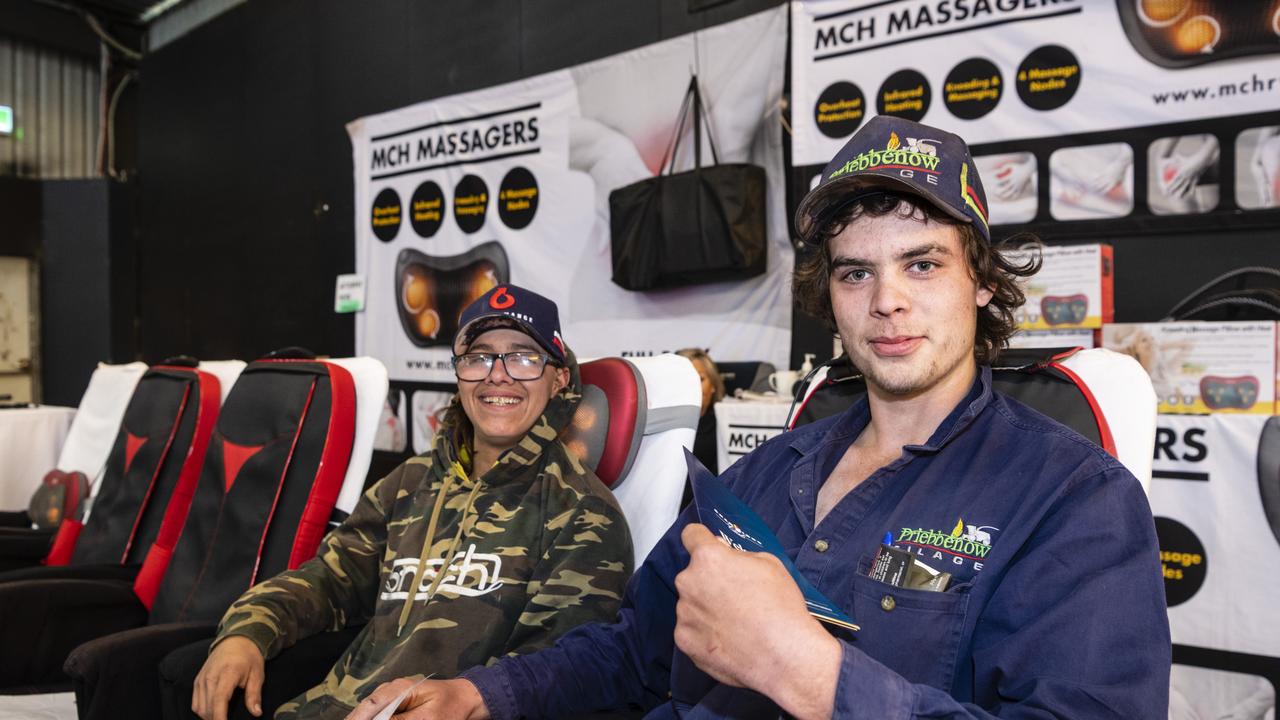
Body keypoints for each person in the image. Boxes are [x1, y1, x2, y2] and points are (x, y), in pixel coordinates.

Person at [348, 116, 1171, 720]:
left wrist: (813, 674)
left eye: (922, 264)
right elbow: (635, 652)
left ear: (982, 281)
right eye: (855, 274)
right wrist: (481, 693)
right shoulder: (771, 472)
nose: (887, 300)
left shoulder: (1075, 501)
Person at [192, 284, 633, 720]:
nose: (498, 374)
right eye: (479, 357)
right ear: (460, 373)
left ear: (558, 378)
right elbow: (328, 579)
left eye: (522, 356)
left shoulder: (582, 512)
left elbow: (551, 678)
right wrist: (248, 632)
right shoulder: (409, 481)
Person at [674, 348, 726, 476]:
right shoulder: (660, 429)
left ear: (713, 385)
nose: (693, 386)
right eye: (684, 379)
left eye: (700, 379)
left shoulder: (725, 425)